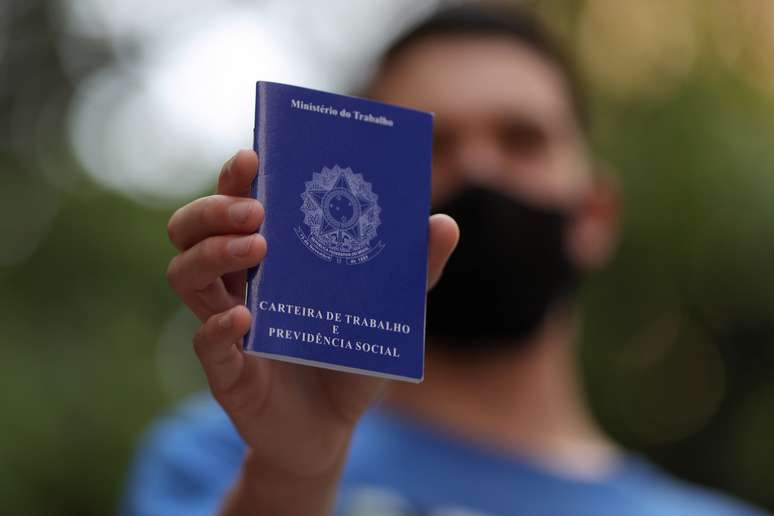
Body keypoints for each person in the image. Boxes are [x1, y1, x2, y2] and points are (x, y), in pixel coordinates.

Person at [123, 4, 768, 516]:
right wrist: (295, 478)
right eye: (433, 143)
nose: (479, 167)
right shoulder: (224, 459)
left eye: (523, 138)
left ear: (594, 215)